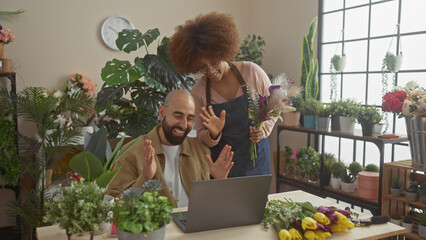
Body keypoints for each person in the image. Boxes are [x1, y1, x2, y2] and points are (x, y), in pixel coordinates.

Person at [168, 12, 277, 177]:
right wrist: (213, 133)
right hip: (222, 167)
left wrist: (264, 129)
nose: (210, 71)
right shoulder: (199, 92)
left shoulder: (252, 72)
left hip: (257, 162)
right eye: (202, 68)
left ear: (223, 52)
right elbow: (201, 137)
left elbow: (274, 105)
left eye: (214, 63)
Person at [106, 90, 234, 207]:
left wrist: (219, 181)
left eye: (189, 118)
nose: (184, 125)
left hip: (196, 228)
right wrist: (145, 177)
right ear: (162, 112)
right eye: (178, 116)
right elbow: (114, 204)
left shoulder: (201, 151)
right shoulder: (131, 152)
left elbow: (211, 206)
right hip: (155, 230)